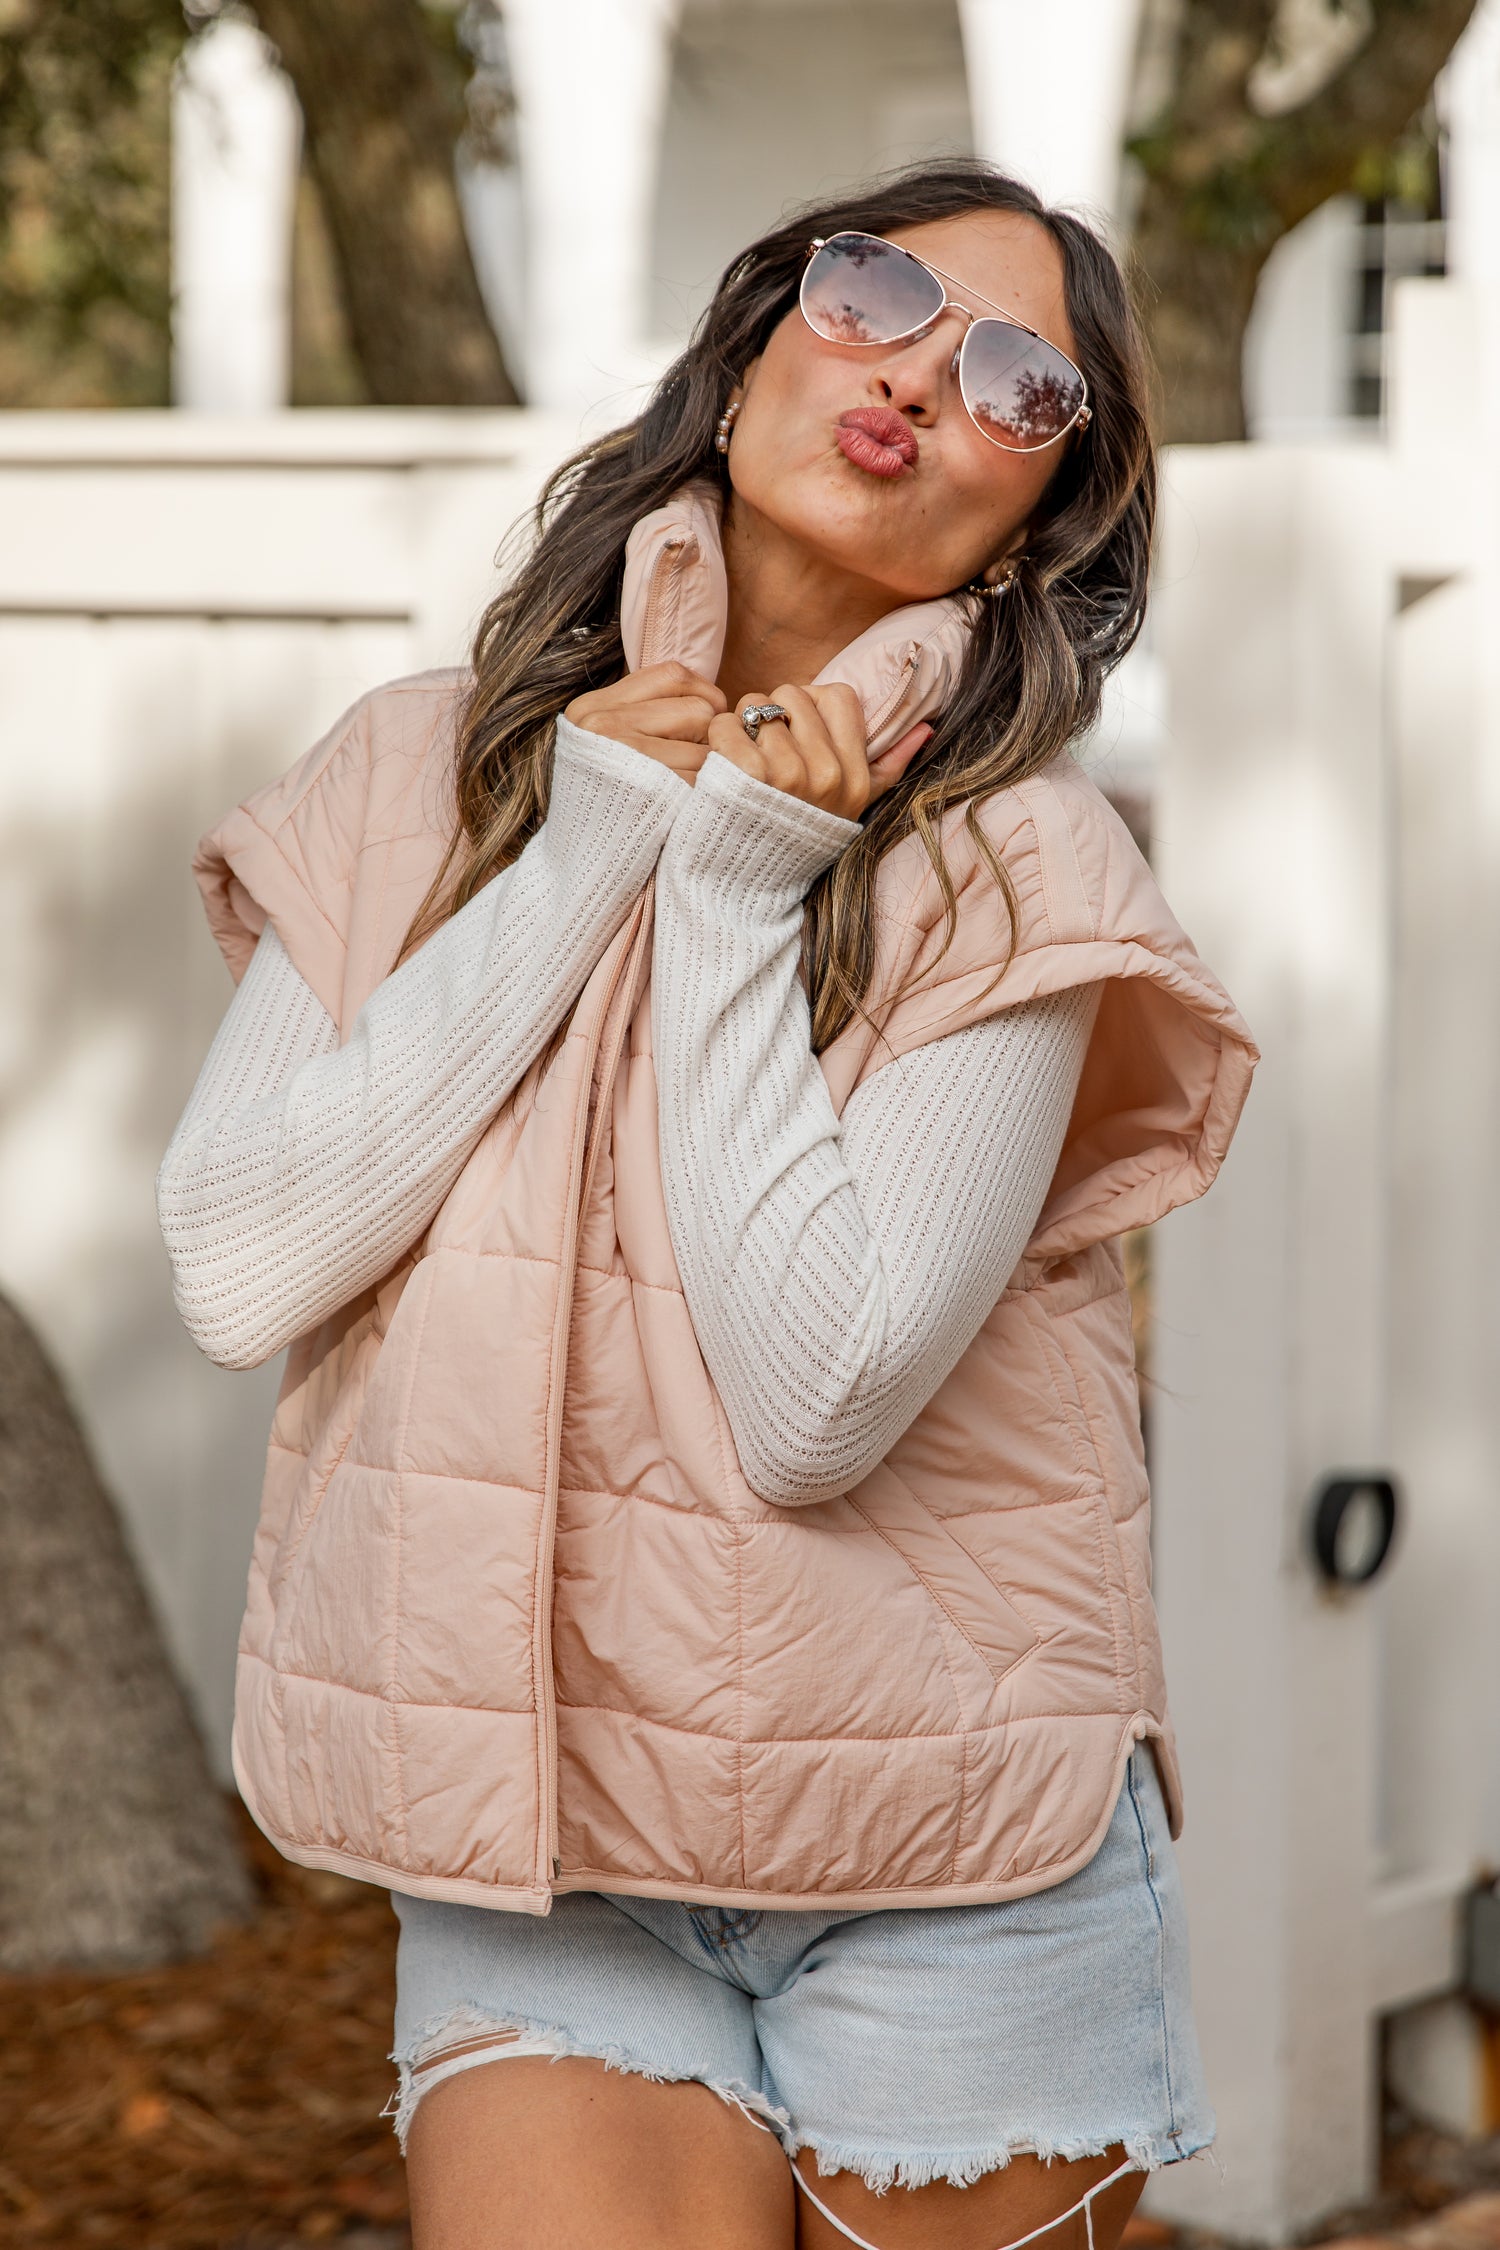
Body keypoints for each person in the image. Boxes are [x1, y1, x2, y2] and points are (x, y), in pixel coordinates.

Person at [159, 162, 1256, 2250]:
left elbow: (814, 1398)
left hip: (948, 1841)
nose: (924, 374)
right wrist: (587, 857)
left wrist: (740, 878)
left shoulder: (1021, 858)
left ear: (1051, 517)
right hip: (546, 1841)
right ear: (755, 341)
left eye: (1020, 380)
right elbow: (238, 1264)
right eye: (878, 293)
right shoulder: (420, 773)